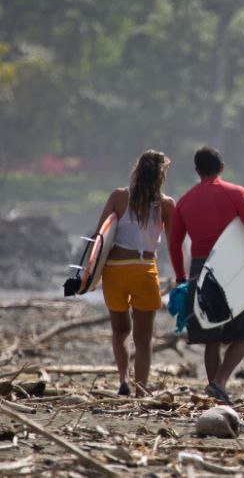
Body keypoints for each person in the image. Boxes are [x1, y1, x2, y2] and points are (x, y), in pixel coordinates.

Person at [169, 146, 244, 403]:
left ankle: (215, 389)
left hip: (199, 269)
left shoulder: (184, 201)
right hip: (229, 268)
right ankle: (219, 382)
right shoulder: (235, 193)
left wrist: (181, 278)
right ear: (222, 167)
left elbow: (174, 244)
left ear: (197, 171)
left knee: (211, 335)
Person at [96, 150, 175, 396]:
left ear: (137, 170)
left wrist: (90, 275)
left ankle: (122, 380)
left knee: (120, 331)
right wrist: (181, 276)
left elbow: (100, 235)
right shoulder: (166, 204)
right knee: (143, 339)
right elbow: (174, 244)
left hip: (115, 271)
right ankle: (141, 390)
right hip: (144, 270)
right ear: (160, 175)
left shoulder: (119, 197)